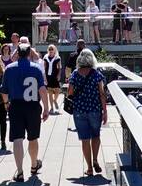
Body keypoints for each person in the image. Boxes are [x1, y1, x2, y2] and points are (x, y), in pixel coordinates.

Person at [1, 38, 50, 184]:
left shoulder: (9, 69)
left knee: (17, 138)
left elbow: (3, 90)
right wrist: (46, 108)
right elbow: (42, 89)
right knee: (33, 138)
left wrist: (5, 103)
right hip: (33, 106)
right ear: (29, 54)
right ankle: (34, 165)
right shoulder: (36, 68)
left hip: (15, 105)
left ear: (17, 53)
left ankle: (20, 171)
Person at [65, 49, 108, 177]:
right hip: (95, 109)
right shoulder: (97, 74)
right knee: (96, 135)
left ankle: (89, 168)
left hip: (79, 110)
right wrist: (105, 111)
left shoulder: (75, 74)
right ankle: (95, 159)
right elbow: (102, 94)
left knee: (84, 139)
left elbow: (70, 93)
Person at [43, 44, 62, 114]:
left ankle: (55, 100)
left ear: (54, 50)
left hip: (55, 75)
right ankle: (51, 108)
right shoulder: (45, 57)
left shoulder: (57, 57)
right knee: (50, 92)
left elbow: (60, 67)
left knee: (57, 90)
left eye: (52, 49)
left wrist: (59, 75)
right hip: (48, 76)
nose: (51, 51)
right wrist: (44, 77)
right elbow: (44, 68)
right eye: (49, 49)